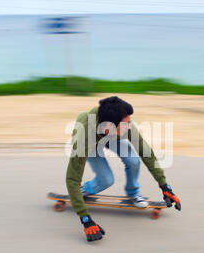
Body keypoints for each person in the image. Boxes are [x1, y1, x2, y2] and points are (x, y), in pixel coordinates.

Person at [66, 96, 181, 242]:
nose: (130, 126)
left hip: (112, 136)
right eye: (126, 123)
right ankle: (85, 190)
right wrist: (85, 218)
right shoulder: (83, 139)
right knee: (106, 180)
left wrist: (165, 186)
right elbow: (72, 178)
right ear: (110, 126)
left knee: (133, 161)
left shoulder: (125, 126)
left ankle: (133, 193)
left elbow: (147, 154)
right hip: (93, 143)